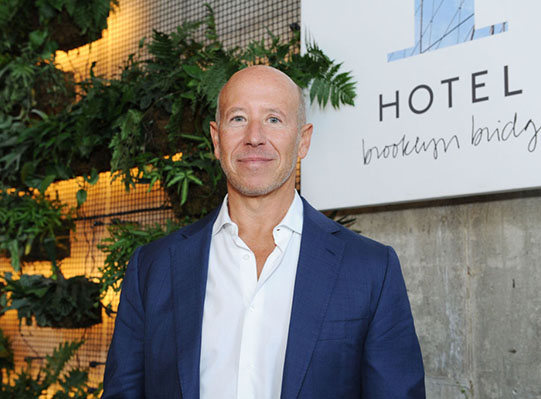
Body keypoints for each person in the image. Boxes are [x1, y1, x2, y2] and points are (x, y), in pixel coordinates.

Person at [102, 65, 425, 398]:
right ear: (216, 138)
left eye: (274, 119)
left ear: (303, 140)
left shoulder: (370, 269)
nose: (254, 137)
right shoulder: (153, 268)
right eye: (238, 118)